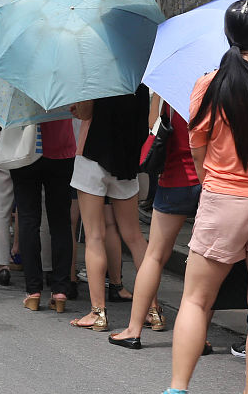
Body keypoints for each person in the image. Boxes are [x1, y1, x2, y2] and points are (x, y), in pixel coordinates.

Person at [143, 0, 248, 394]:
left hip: (223, 200)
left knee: (195, 299)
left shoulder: (208, 84)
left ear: (228, 36)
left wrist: (216, 183)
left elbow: (198, 149)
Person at [109, 98, 202, 347]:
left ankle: (134, 329)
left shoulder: (172, 88)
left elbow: (154, 126)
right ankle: (198, 337)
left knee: (155, 256)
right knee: (202, 258)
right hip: (211, 181)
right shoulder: (224, 86)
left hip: (175, 177)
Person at [67, 91, 149, 331]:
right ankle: (152, 310)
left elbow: (85, 111)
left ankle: (98, 312)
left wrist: (78, 108)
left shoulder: (97, 75)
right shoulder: (139, 78)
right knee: (134, 237)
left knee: (94, 236)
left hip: (93, 157)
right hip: (125, 162)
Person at [12, 118, 77, 312]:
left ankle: (33, 290)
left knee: (27, 219)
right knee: (61, 222)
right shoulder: (65, 85)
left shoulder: (22, 85)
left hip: (27, 147)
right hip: (61, 147)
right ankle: (60, 290)